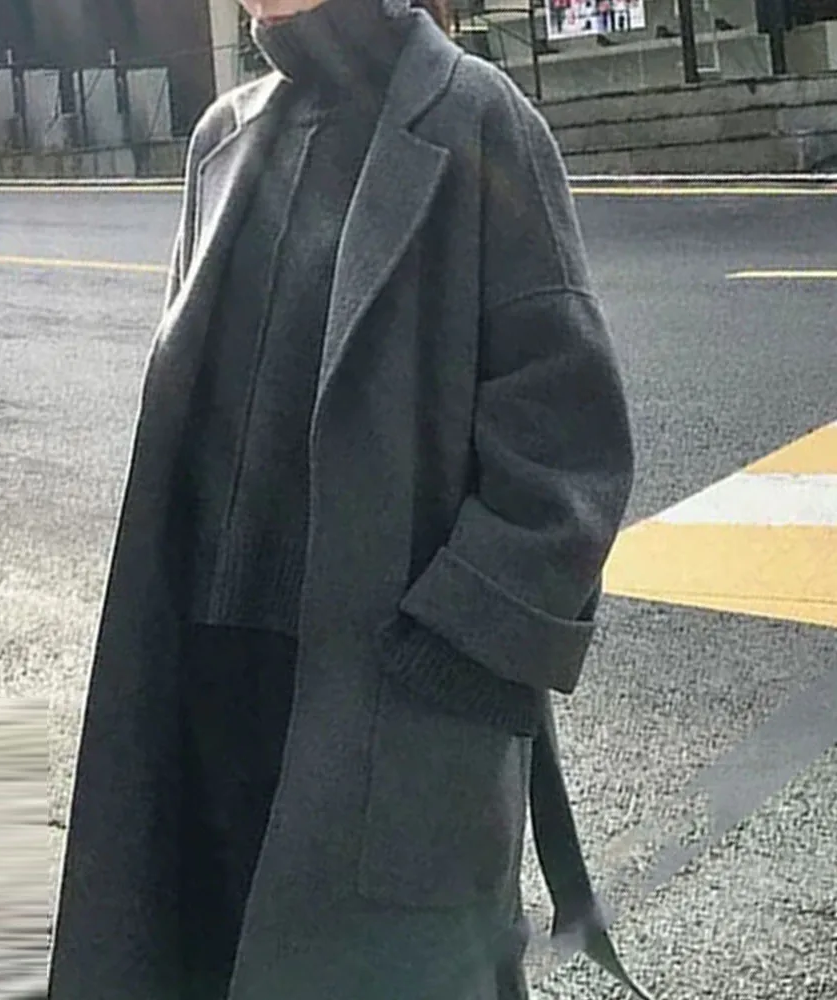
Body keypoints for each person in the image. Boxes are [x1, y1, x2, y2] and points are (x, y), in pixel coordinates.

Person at [46, 1, 642, 999]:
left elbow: (568, 446)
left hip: (379, 718)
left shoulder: (480, 121)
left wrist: (451, 664)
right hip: (200, 706)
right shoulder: (222, 142)